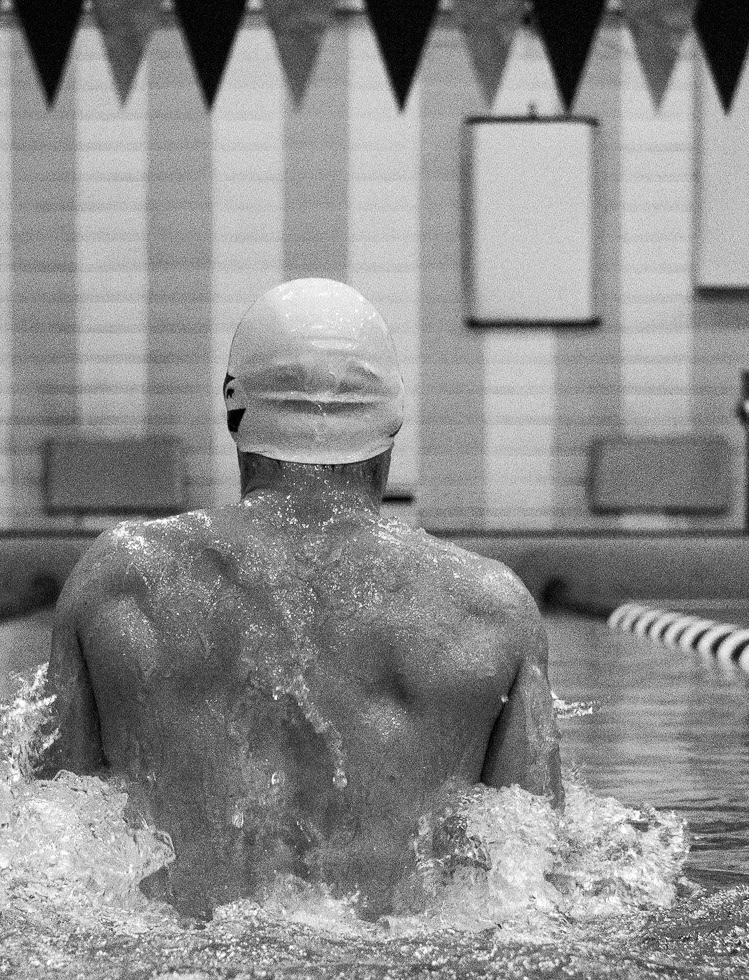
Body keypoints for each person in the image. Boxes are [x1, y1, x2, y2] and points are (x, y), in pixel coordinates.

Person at [35, 278, 561, 918]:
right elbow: (535, 883)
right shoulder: (488, 611)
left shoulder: (119, 583)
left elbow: (46, 852)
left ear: (234, 410)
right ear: (393, 417)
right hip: (392, 964)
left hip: (187, 956)